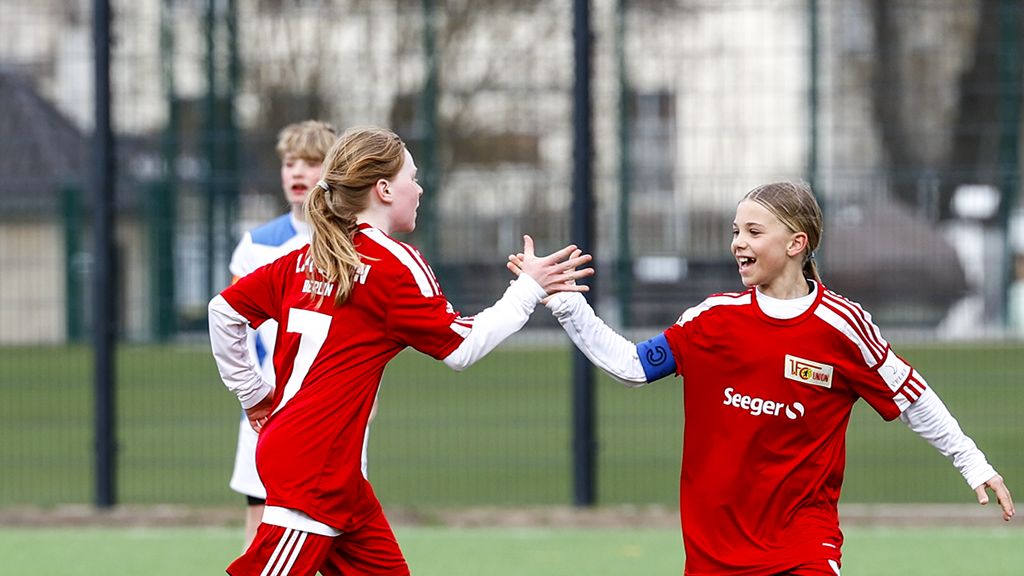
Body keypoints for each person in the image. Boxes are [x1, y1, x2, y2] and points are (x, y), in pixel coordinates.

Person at [512, 181, 1014, 575]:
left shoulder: (843, 325)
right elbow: (631, 366)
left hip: (804, 545)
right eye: (735, 231)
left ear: (798, 243)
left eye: (754, 232)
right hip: (715, 552)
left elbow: (913, 396)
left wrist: (972, 462)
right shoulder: (713, 320)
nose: (738, 244)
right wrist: (564, 302)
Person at [208, 125, 593, 576]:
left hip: (329, 467)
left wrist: (253, 393)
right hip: (313, 464)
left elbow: (222, 311)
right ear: (385, 189)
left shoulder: (308, 255)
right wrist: (528, 288)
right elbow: (462, 348)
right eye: (414, 176)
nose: (420, 187)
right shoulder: (393, 263)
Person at [226, 119, 338, 549]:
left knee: (331, 519)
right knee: (262, 517)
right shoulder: (258, 245)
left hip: (329, 408)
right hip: (268, 407)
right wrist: (254, 392)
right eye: (289, 162)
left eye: (311, 163)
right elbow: (233, 326)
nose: (297, 172)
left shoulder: (351, 242)